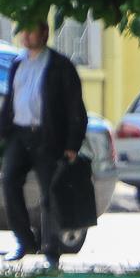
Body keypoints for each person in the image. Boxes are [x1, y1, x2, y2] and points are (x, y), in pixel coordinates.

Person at [1, 16, 88, 264]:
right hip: (19, 133)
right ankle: (24, 242)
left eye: (31, 31)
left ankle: (51, 250)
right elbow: (11, 99)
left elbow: (75, 108)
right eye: (23, 32)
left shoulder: (60, 66)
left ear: (45, 34)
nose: (26, 36)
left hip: (48, 136)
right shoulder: (18, 63)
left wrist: (72, 144)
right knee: (8, 182)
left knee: (50, 192)